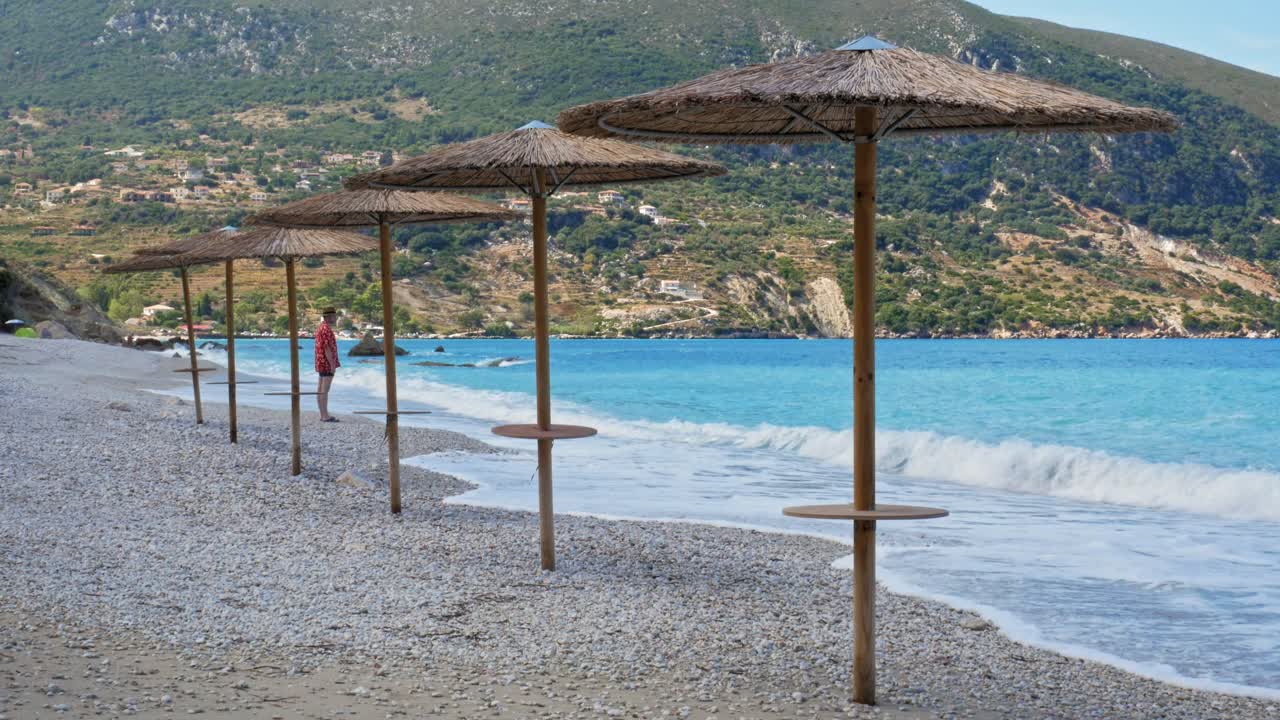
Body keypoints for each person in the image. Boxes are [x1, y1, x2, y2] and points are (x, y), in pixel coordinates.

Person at [314, 307, 341, 422]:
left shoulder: (321, 328)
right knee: (324, 389)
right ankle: (325, 416)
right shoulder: (326, 329)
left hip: (321, 361)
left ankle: (323, 414)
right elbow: (327, 349)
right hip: (326, 363)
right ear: (329, 317)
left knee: (321, 389)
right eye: (335, 316)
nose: (336, 318)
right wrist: (332, 365)